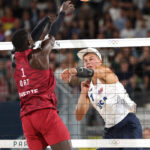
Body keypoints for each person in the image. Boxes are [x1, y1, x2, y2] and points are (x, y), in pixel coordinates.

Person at [11, 1, 74, 150]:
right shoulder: (40, 54)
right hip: (44, 113)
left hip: (27, 119)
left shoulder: (15, 60)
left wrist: (45, 20)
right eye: (30, 38)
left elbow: (31, 38)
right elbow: (53, 32)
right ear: (29, 42)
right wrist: (62, 12)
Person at [61, 47, 143, 150]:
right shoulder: (89, 88)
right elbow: (79, 116)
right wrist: (83, 93)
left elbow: (92, 72)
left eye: (91, 59)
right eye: (85, 61)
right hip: (110, 129)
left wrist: (72, 71)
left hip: (127, 123)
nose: (88, 62)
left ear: (100, 61)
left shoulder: (106, 71)